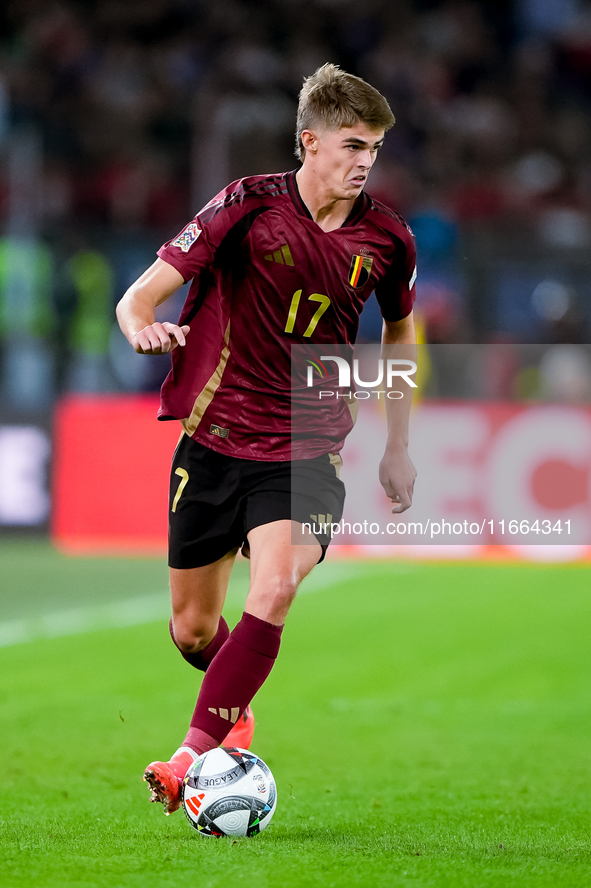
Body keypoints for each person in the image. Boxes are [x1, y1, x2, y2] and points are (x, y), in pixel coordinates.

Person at [116, 63, 417, 815]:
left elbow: (401, 329)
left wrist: (398, 442)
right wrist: (142, 331)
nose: (364, 161)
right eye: (352, 144)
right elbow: (136, 298)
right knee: (191, 631)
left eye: (374, 148)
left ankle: (189, 755)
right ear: (309, 142)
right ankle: (231, 706)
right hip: (214, 442)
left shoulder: (387, 237)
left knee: (275, 585)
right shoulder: (245, 206)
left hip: (307, 449)